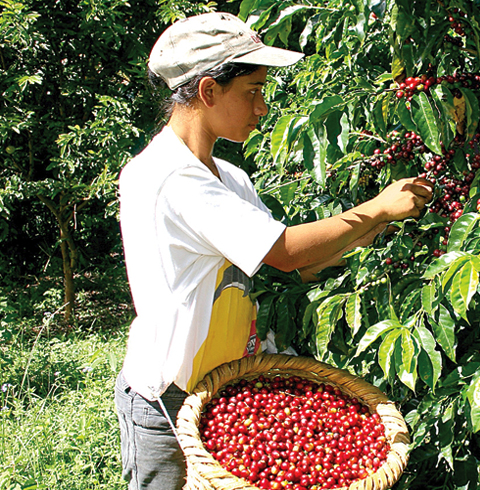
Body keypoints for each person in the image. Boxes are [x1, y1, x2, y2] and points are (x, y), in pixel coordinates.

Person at [114, 12, 433, 490]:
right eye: (252, 92)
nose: (262, 107)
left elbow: (280, 270)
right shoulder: (167, 177)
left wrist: (369, 233)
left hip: (232, 385)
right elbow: (284, 251)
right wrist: (375, 208)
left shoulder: (231, 178)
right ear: (207, 91)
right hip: (169, 396)